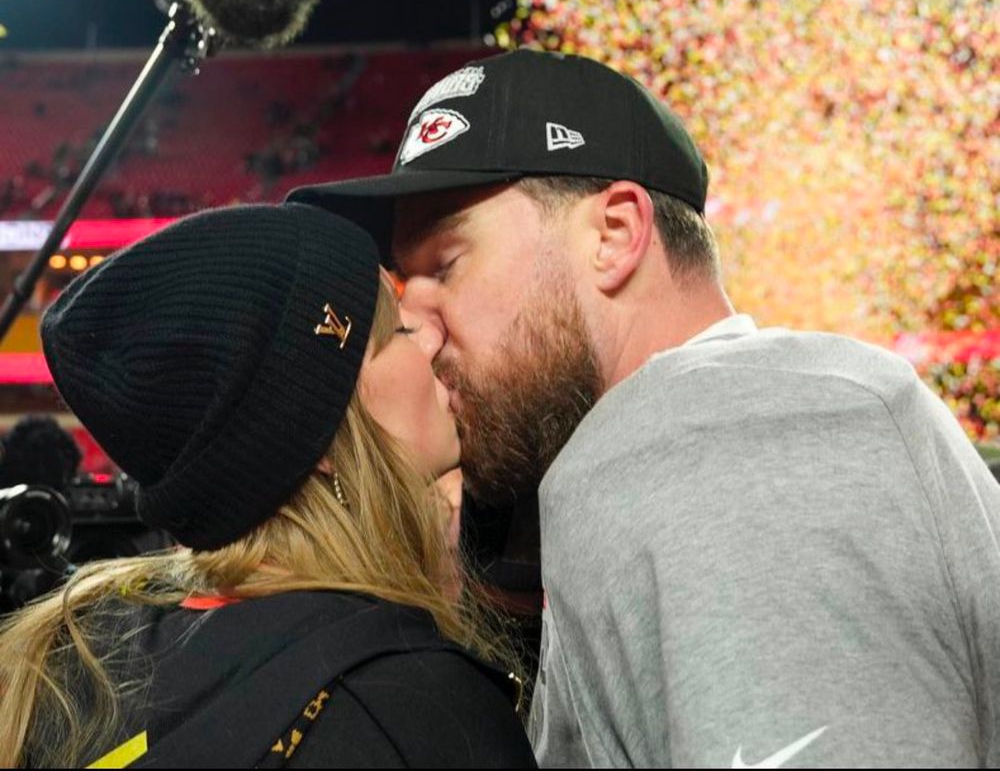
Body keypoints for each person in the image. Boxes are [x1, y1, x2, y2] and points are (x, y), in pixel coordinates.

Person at [287, 49, 1000, 767]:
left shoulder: (715, 449)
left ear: (615, 235)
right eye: (406, 288)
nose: (423, 329)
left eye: (445, 266)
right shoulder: (774, 409)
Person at [0, 204, 536, 769]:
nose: (429, 336)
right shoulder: (417, 711)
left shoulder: (71, 667)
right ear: (321, 439)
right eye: (397, 331)